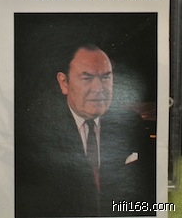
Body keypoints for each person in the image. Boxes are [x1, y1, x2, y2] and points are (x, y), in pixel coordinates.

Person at [16, 43, 155, 217]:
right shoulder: (35, 133)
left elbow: (148, 196)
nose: (98, 89)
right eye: (87, 78)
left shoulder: (131, 124)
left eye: (105, 77)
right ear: (64, 83)